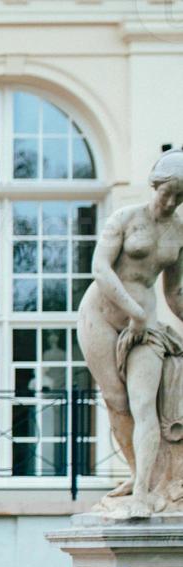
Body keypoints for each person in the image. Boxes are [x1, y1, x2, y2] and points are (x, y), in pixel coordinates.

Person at [77, 148, 183, 516]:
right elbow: (100, 268)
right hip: (101, 316)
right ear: (155, 184)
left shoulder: (179, 232)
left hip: (145, 325)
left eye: (180, 196)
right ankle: (138, 472)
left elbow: (173, 291)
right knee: (117, 401)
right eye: (167, 191)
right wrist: (133, 312)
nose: (170, 201)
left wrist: (153, 318)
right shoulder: (125, 218)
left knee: (143, 404)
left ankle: (143, 493)